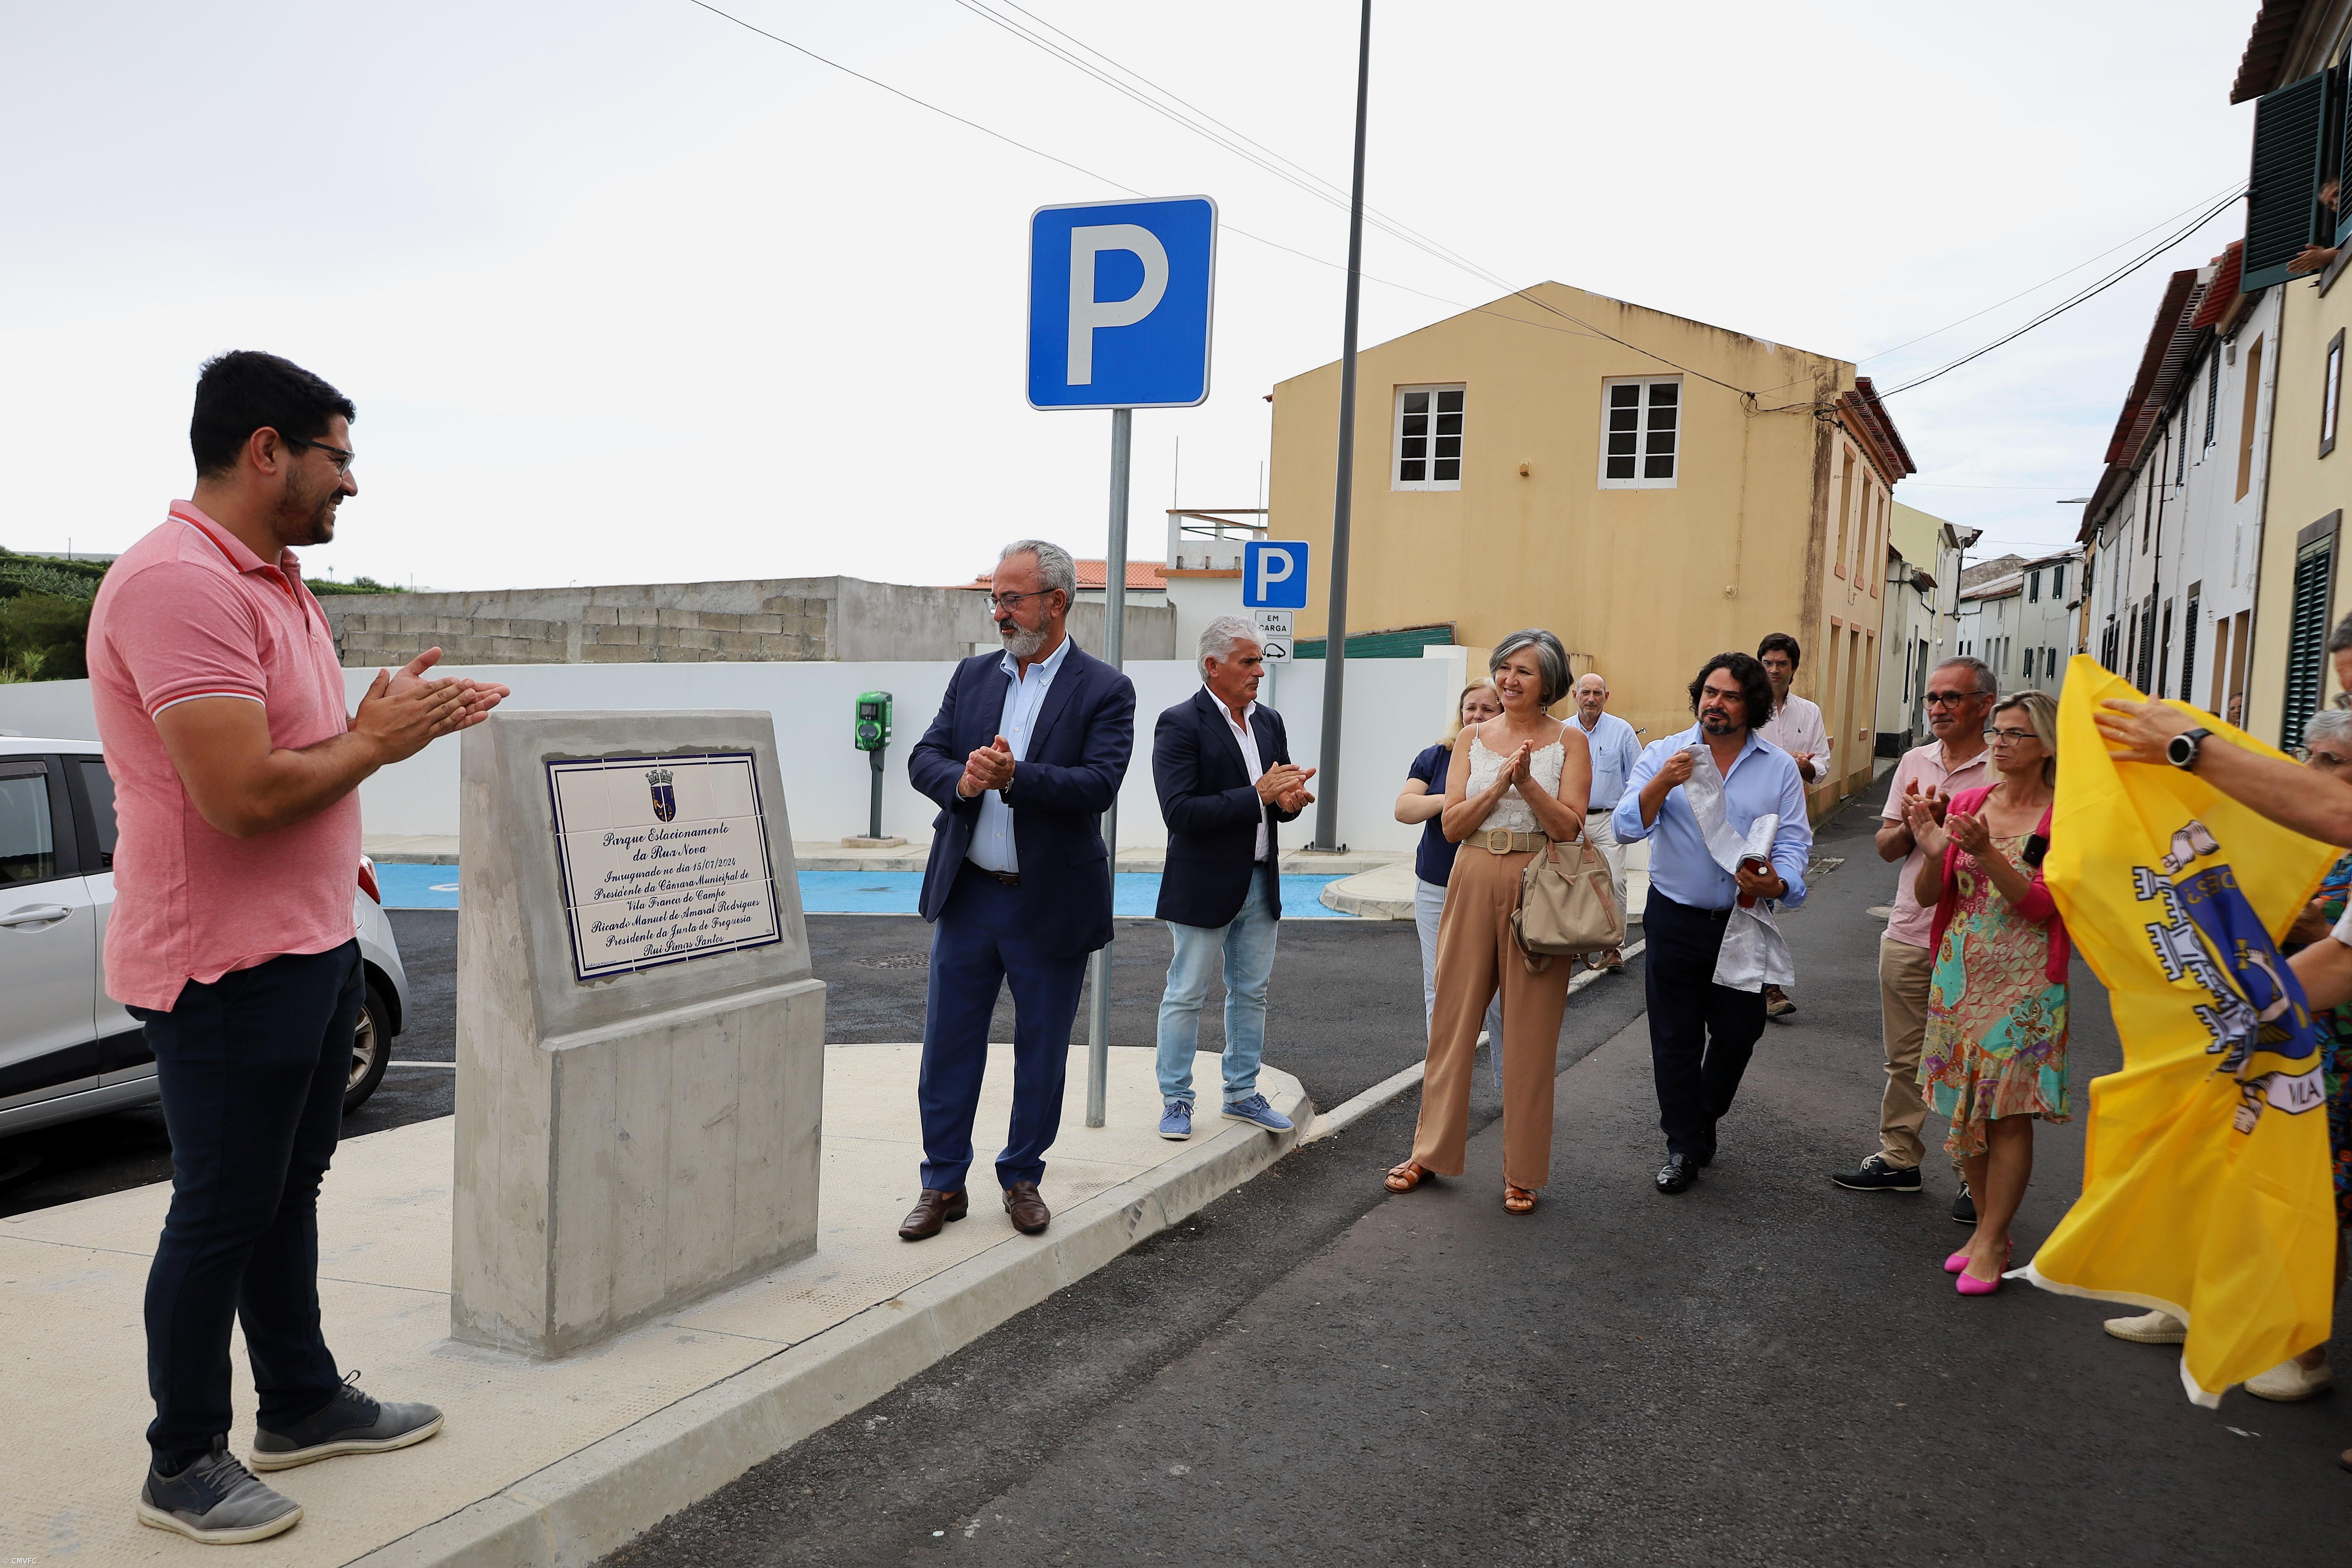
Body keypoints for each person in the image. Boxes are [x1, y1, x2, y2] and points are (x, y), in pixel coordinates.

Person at [88, 352, 508, 1544]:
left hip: (312, 943)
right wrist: (375, 743)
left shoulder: (272, 581)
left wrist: (385, 723)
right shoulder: (177, 586)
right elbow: (239, 795)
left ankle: (302, 1400)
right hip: (223, 965)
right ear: (267, 448)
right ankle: (183, 1463)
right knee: (222, 1208)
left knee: (289, 1191)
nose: (353, 484)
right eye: (339, 455)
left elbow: (304, 751)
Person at [2105, 709, 2352, 1401]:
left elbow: (2339, 953)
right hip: (2264, 1031)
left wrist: (2306, 929)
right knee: (2221, 1169)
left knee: (2310, 1196)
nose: (2312, 772)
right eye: (2311, 756)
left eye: (2332, 763)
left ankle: (2303, 1351)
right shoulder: (2285, 829)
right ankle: (2192, 1308)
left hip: (2327, 1048)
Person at [901, 539, 1135, 1243]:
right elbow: (923, 757)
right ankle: (942, 1182)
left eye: (1013, 599)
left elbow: (1100, 784)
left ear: (1056, 603)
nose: (1000, 611)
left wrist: (1017, 778)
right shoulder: (974, 676)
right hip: (970, 897)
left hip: (1049, 902)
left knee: (1041, 1050)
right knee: (948, 1046)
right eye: (995, 598)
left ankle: (1022, 1175)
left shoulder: (1104, 688)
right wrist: (964, 780)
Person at [1383, 631, 1592, 1215]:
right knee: (1452, 1019)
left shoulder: (1570, 741)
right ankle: (1429, 1152)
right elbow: (1450, 826)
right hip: (1472, 874)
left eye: (1524, 671)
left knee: (1530, 1031)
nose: (1510, 680)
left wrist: (1527, 783)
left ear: (1548, 682)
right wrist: (1500, 783)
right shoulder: (1472, 739)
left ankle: (1523, 1171)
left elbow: (1570, 828)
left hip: (1540, 884)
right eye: (1504, 669)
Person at [1615, 652, 1811, 1194]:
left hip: (1742, 922)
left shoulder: (1777, 768)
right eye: (1709, 692)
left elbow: (1794, 842)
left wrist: (1780, 883)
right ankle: (1682, 1146)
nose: (1715, 703)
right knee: (1674, 1039)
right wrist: (1662, 783)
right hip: (1675, 917)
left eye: (1729, 696)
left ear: (1753, 706)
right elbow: (1626, 825)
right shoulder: (1663, 754)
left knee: (1738, 1032)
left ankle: (1702, 1118)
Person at [1900, 693, 2068, 1297]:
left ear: (2047, 746)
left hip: (2025, 986)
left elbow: (2042, 905)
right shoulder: (1971, 803)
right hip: (1959, 975)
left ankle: (1995, 1238)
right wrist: (1932, 849)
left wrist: (1984, 851)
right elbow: (1929, 895)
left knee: (2009, 1116)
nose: (1998, 742)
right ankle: (1980, 1236)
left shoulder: (2063, 818)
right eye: (1997, 731)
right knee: (1963, 1111)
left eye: (2015, 734)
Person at [1831, 657, 1996, 1210]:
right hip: (1910, 928)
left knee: (1971, 1059)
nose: (1939, 708)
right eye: (1933, 698)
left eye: (1953, 698)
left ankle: (1974, 1177)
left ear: (1985, 706)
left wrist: (1952, 829)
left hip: (1977, 937)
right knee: (1906, 1057)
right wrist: (1918, 824)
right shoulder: (1914, 761)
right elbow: (1884, 848)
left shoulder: (2005, 767)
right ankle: (1900, 1157)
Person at [1150, 616, 1315, 1140]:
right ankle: (1176, 1099)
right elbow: (1180, 812)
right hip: (1202, 887)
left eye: (1260, 661)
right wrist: (1260, 796)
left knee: (1251, 994)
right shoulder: (1179, 723)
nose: (1259, 672)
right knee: (1186, 995)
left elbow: (1275, 798)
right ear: (1212, 666)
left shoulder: (1269, 722)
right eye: (1248, 661)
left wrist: (1287, 802)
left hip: (1260, 885)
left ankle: (1242, 1094)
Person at [1396, 680, 1504, 1076]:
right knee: (1439, 987)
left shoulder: (1509, 757)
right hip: (1436, 887)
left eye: (1486, 709)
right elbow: (1405, 808)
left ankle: (1508, 1084)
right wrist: (1454, 799)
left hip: (1492, 887)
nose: (1475, 715)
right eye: (1469, 708)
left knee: (1499, 995)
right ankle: (1443, 1082)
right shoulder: (1436, 757)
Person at [1753, 634, 1827, 1022]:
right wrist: (1786, 759)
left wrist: (1805, 766)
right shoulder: (1748, 709)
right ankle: (1766, 986)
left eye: (1782, 663)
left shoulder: (1809, 712)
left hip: (1789, 822)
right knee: (1758, 900)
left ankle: (1762, 984)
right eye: (1768, 662)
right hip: (1750, 820)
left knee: (1768, 898)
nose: (1775, 670)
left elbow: (1823, 764)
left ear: (1794, 668)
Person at [1570, 672, 1641, 972]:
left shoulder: (1622, 731)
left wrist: (1628, 816)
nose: (1591, 699)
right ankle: (1570, 941)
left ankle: (1613, 946)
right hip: (1571, 819)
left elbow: (1637, 776)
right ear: (1575, 695)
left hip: (1609, 819)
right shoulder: (1562, 731)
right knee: (1569, 882)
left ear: (1606, 697)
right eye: (1586, 692)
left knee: (1615, 881)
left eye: (1597, 693)